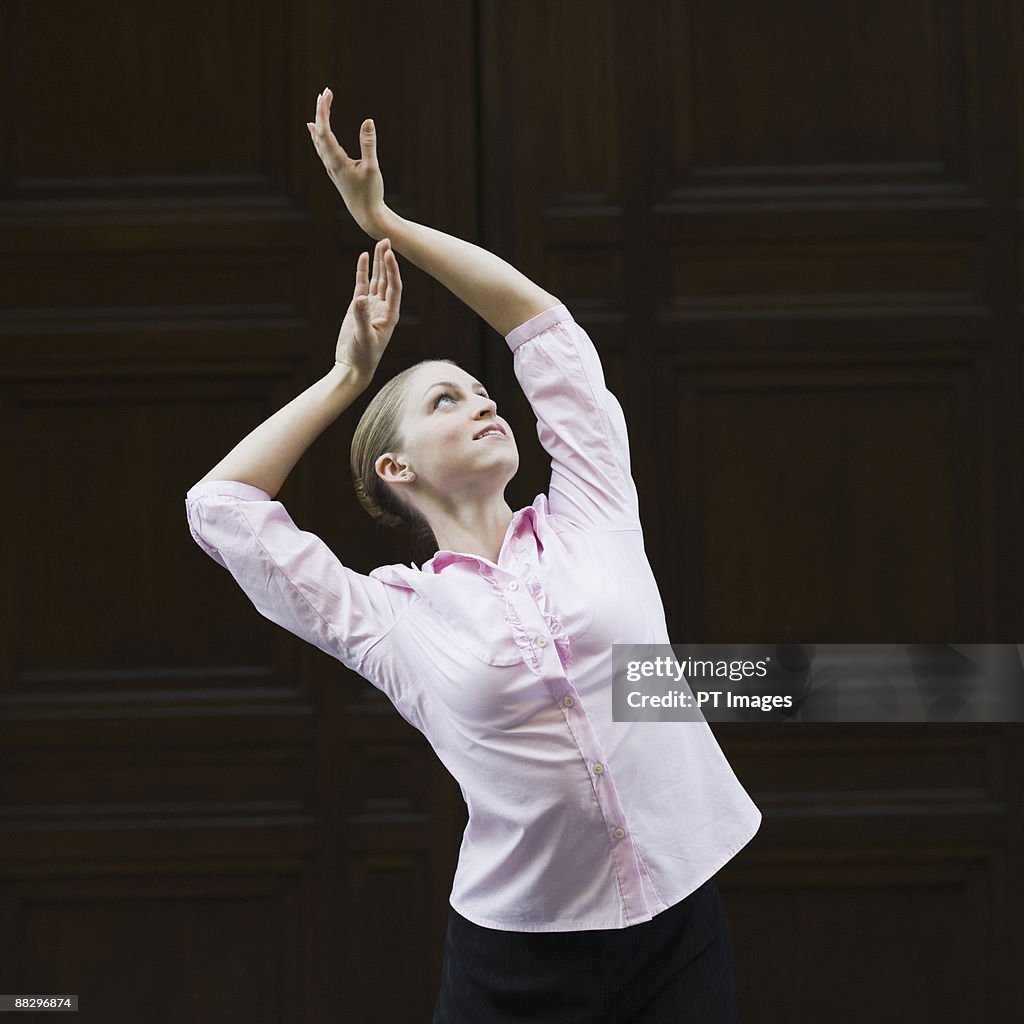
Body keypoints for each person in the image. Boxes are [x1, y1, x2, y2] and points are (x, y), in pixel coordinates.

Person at [185, 87, 762, 1023]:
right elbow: (220, 509)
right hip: (517, 959)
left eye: (479, 391)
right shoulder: (389, 617)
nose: (484, 403)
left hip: (680, 915)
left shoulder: (592, 515)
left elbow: (545, 332)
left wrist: (385, 222)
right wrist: (347, 378)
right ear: (396, 466)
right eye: (445, 401)